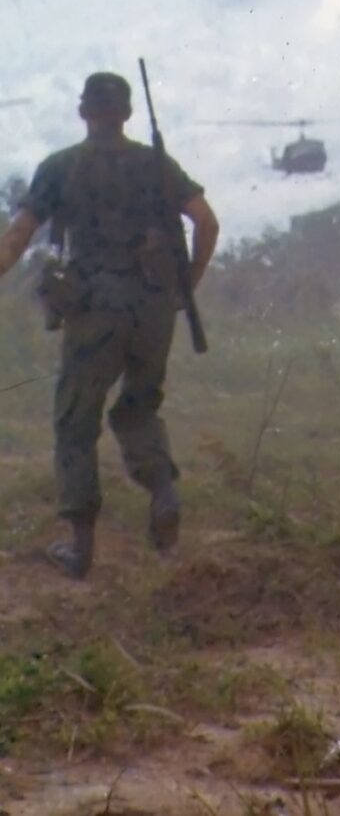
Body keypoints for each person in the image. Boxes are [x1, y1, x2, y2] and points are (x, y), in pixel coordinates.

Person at [0, 72, 219, 580]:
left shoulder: (60, 168)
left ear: (83, 113)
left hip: (96, 312)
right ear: (125, 115)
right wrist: (186, 287)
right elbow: (206, 222)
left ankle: (80, 547)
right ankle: (163, 491)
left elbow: (17, 237)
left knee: (75, 422)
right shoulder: (156, 165)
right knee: (139, 411)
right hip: (154, 311)